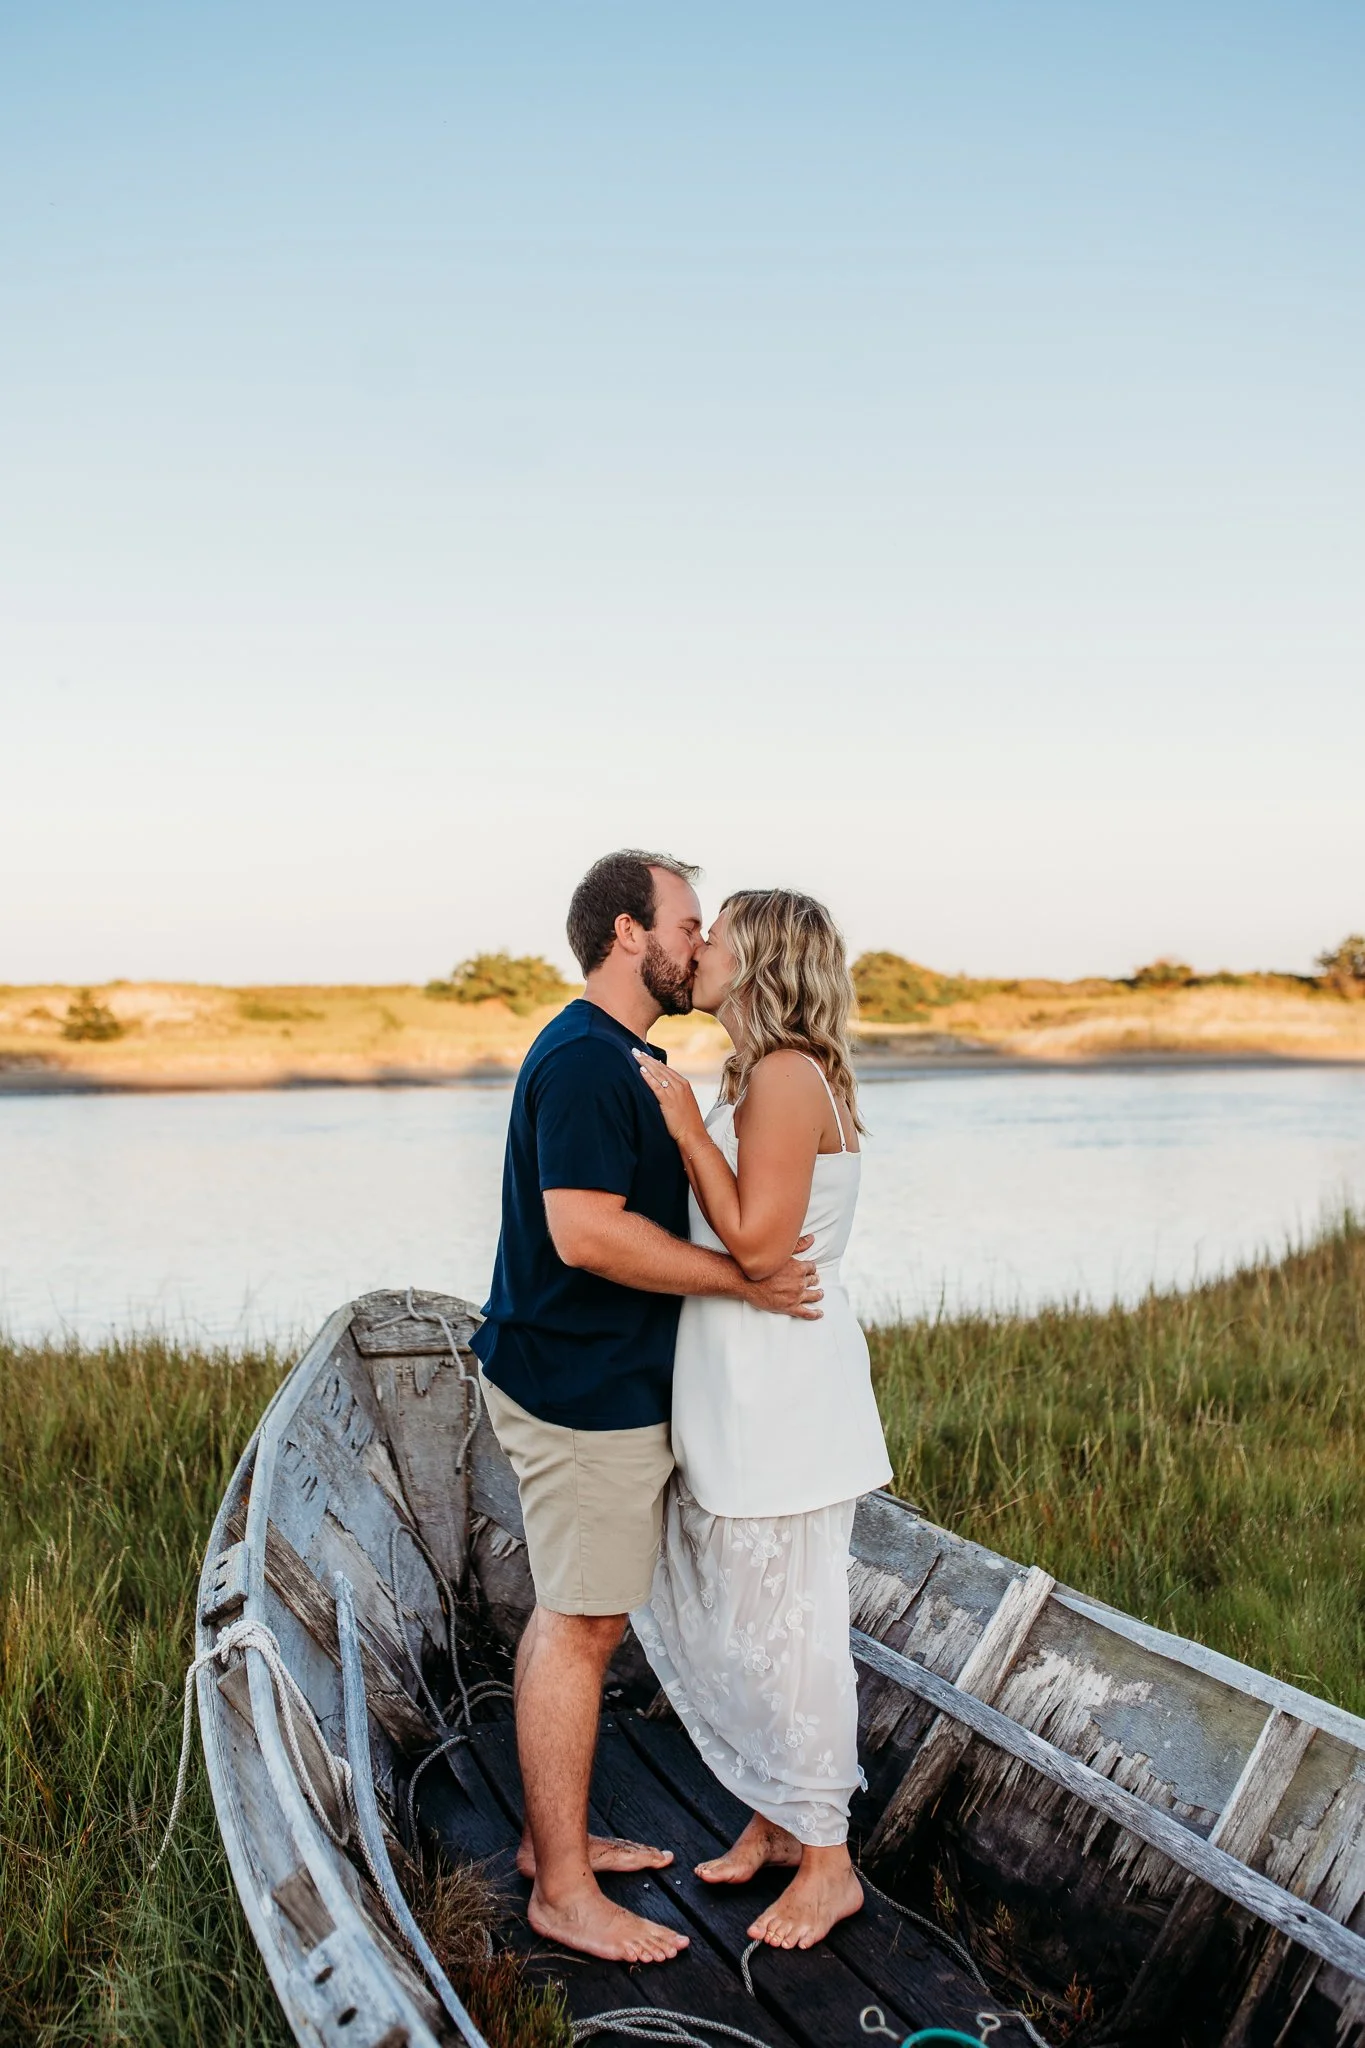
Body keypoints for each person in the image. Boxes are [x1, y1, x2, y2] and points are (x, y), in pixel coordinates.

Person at [471, 851, 826, 1966]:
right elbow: (582, 1232)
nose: (696, 943)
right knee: (579, 1628)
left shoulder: (634, 1055)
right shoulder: (584, 1058)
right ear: (630, 932)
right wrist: (741, 1280)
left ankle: (549, 1844)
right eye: (684, 922)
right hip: (580, 1393)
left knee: (577, 1618)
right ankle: (564, 1891)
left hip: (600, 1383)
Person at [630, 888, 892, 1952]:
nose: (701, 946)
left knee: (792, 1629)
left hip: (784, 1395)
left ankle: (830, 1863)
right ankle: (780, 1820)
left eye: (719, 929)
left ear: (762, 955)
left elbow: (754, 1245)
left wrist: (689, 1123)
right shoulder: (772, 1074)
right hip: (749, 1386)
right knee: (752, 1608)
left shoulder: (785, 1072)